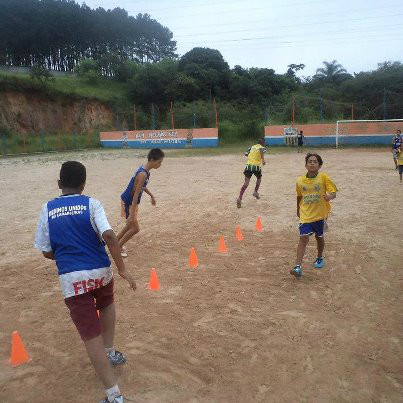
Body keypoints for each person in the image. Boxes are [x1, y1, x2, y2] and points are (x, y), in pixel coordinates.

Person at [34, 161, 136, 403]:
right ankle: (109, 352)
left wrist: (66, 251)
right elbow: (109, 235)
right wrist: (121, 269)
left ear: (59, 184)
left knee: (91, 335)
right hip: (101, 270)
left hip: (72, 278)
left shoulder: (47, 209)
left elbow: (46, 251)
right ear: (83, 184)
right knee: (107, 303)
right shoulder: (91, 203)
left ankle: (114, 396)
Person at [290, 153, 338, 278]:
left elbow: (333, 192)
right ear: (305, 165)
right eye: (309, 161)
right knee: (303, 238)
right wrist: (297, 209)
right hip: (305, 214)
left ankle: (319, 257)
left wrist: (329, 197)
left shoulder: (323, 178)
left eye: (315, 161)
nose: (312, 163)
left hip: (320, 215)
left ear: (319, 165)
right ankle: (297, 267)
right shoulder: (300, 180)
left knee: (319, 237)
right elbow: (299, 196)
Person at [118, 148, 164, 257]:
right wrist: (132, 213)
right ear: (152, 160)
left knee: (130, 225)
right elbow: (135, 194)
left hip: (131, 202)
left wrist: (151, 195)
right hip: (129, 201)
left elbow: (142, 187)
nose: (160, 165)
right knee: (135, 228)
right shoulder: (143, 174)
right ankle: (118, 246)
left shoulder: (145, 172)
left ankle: (116, 241)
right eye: (159, 162)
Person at [236, 138, 266, 208]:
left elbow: (246, 154)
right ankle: (255, 191)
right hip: (256, 167)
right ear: (263, 143)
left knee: (246, 183)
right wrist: (263, 160)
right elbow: (261, 150)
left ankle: (239, 198)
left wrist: (252, 156)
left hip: (248, 166)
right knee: (259, 179)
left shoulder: (252, 147)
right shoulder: (262, 147)